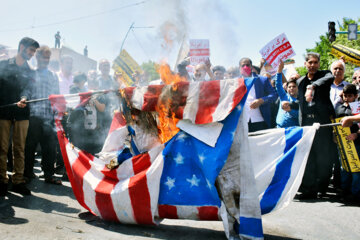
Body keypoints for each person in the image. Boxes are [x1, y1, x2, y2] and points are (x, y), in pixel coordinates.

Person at [284, 52, 336, 199]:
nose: (312, 65)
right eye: (310, 62)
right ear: (305, 64)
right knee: (308, 157)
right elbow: (301, 103)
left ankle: (322, 188)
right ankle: (309, 189)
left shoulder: (325, 75)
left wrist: (312, 86)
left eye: (315, 62)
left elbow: (329, 78)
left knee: (323, 157)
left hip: (322, 124)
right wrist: (291, 105)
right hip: (306, 124)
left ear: (319, 64)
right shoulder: (300, 81)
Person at [0, 37, 39, 196]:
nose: (32, 54)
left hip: (22, 113)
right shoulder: (3, 64)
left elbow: (29, 89)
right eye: (30, 50)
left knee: (19, 148)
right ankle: (2, 180)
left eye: (34, 52)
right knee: (1, 148)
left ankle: (17, 181)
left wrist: (24, 99)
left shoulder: (30, 71)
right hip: (3, 112)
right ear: (22, 47)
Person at [24, 46, 61, 185]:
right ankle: (27, 173)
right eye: (43, 57)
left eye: (47, 58)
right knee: (30, 146)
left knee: (50, 147)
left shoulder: (53, 75)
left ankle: (48, 175)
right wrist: (24, 98)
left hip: (49, 117)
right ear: (37, 57)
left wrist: (57, 112)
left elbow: (56, 96)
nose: (45, 60)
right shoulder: (31, 74)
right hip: (33, 116)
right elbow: (27, 91)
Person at [334, 84, 360, 204]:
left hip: (356, 142)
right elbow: (335, 123)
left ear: (355, 96)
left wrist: (356, 135)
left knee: (356, 169)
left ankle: (355, 193)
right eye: (345, 96)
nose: (347, 98)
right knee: (343, 168)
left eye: (350, 96)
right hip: (343, 143)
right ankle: (344, 191)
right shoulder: (339, 108)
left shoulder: (357, 108)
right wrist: (335, 136)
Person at [239, 57, 277, 132]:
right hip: (242, 122)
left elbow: (274, 95)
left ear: (251, 66)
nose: (245, 67)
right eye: (243, 65)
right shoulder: (236, 81)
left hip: (260, 120)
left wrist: (261, 100)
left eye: (247, 65)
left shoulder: (262, 80)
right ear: (239, 68)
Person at [274, 60, 298, 128]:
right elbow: (278, 84)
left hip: (293, 130)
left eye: (294, 86)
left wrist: (290, 110)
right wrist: (279, 70)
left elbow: (300, 115)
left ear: (298, 88)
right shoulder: (284, 96)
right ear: (286, 88)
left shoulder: (300, 100)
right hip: (279, 129)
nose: (291, 88)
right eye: (289, 87)